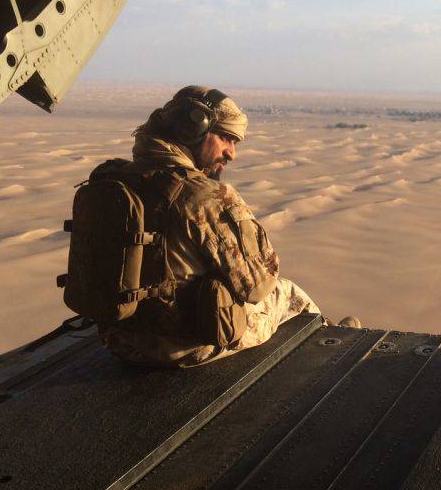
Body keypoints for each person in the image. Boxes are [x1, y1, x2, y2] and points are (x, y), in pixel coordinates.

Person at [100, 85, 349, 368]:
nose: (232, 154)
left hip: (118, 341)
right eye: (226, 138)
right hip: (179, 348)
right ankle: (336, 344)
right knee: (287, 293)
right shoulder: (204, 196)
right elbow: (257, 285)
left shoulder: (114, 179)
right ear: (192, 130)